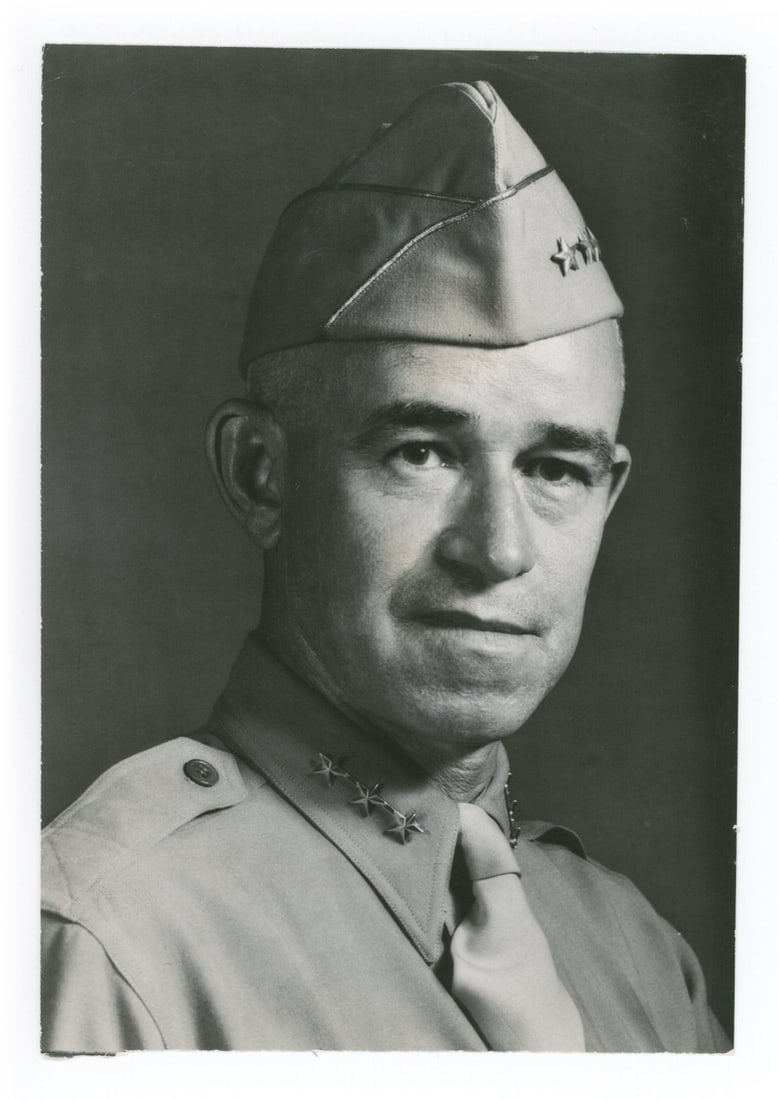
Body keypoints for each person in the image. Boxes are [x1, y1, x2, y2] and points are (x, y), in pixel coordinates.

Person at [40, 80, 730, 1053]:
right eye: (422, 450)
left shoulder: (640, 953)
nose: (498, 548)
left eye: (553, 468)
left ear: (607, 495)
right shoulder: (106, 939)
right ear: (260, 473)